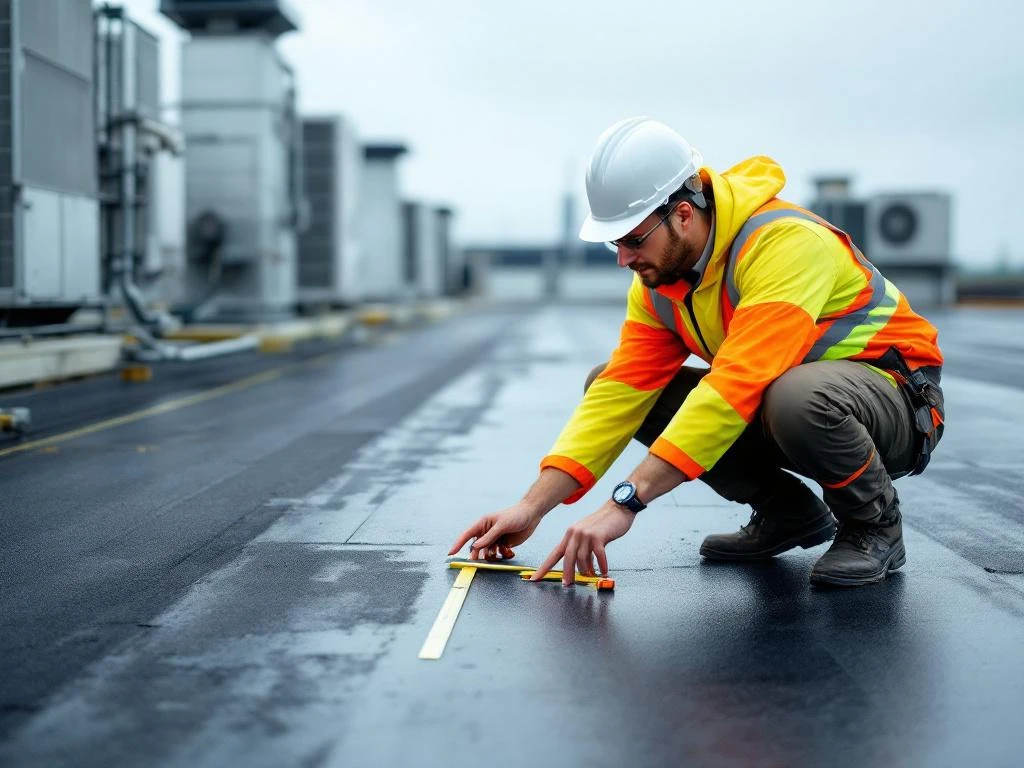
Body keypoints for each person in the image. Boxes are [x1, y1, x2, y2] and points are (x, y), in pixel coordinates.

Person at [448, 116, 945, 588]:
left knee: (796, 396)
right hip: (788, 404)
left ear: (683, 214)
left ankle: (874, 526)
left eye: (631, 239)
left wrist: (624, 503)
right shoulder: (660, 284)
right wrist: (532, 506)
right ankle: (787, 513)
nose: (623, 259)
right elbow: (619, 396)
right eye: (612, 245)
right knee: (607, 380)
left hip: (896, 403)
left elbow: (735, 386)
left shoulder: (785, 244)